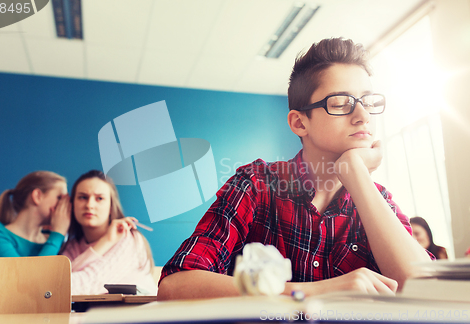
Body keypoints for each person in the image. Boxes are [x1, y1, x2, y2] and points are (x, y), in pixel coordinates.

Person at [157, 38, 432, 301]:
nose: (362, 116)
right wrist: (315, 293)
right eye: (341, 103)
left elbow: (424, 290)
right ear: (300, 123)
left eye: (367, 102)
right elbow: (176, 285)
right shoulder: (257, 183)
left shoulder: (378, 200)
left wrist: (357, 176)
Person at [61, 170, 157, 295]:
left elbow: (83, 285)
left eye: (99, 198)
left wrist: (108, 241)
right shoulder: (72, 246)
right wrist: (105, 242)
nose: (90, 205)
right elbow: (58, 282)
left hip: (140, 312)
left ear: (111, 207)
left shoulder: (128, 237)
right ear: (72, 204)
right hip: (94, 313)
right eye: (83, 197)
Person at [0, 171, 71, 257]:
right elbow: (25, 276)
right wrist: (58, 234)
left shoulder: (52, 241)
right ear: (37, 196)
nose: (65, 205)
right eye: (59, 198)